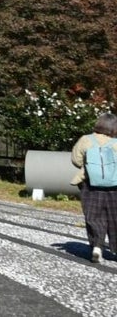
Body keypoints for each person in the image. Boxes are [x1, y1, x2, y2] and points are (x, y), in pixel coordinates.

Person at [71, 110, 117, 263]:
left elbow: (76, 160)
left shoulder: (86, 139)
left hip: (90, 184)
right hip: (114, 187)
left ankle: (97, 246)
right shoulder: (116, 143)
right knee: (114, 217)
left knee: (93, 216)